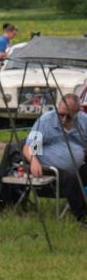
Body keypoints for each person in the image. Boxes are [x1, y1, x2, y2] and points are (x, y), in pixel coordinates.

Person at [23, 93, 87, 222]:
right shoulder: (45, 121)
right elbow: (29, 148)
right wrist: (34, 160)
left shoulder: (84, 120)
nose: (63, 119)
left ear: (77, 113)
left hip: (79, 168)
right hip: (51, 170)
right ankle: (83, 218)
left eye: (68, 116)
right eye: (60, 114)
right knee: (71, 178)